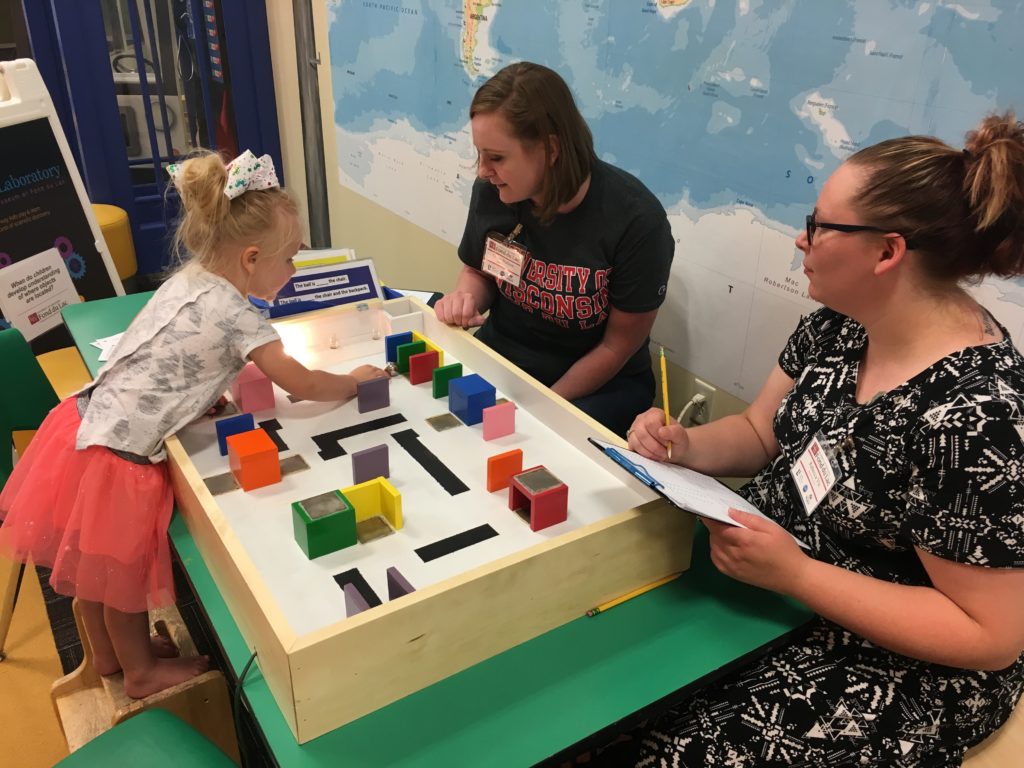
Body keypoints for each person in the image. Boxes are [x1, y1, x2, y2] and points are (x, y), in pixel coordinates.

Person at [621, 113, 1024, 766]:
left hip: (896, 650)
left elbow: (989, 634)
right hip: (773, 568)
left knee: (674, 748)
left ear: (887, 251)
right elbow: (759, 432)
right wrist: (685, 448)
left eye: (819, 226)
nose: (801, 241)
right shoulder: (838, 327)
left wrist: (799, 576)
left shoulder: (979, 412)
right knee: (613, 678)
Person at [0, 150, 389, 699]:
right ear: (252, 258)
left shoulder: (191, 278)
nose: (295, 270)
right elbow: (299, 383)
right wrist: (354, 380)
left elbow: (169, 357)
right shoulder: (241, 316)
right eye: (291, 259)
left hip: (81, 422)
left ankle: (110, 655)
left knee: (89, 568)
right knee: (121, 578)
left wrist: (199, 398)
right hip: (122, 457)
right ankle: (139, 672)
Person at [434, 62, 674, 437]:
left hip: (596, 385)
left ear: (550, 149)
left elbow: (616, 347)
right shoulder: (494, 193)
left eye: (496, 157)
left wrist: (540, 405)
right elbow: (480, 273)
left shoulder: (637, 221)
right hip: (506, 360)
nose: (482, 171)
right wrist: (464, 299)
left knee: (533, 451)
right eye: (479, 154)